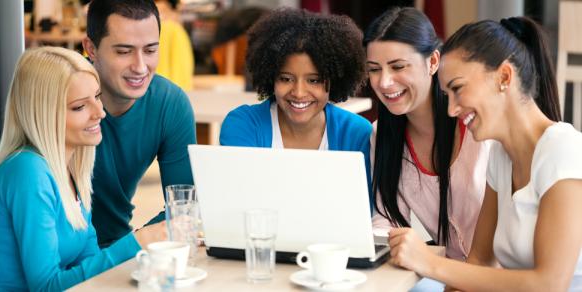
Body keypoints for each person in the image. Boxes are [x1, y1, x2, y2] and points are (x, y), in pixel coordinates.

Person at [388, 16, 582, 291]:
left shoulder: (564, 150)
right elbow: (479, 261)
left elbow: (549, 284)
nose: (451, 110)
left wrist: (430, 263)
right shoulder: (502, 158)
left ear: (504, 77)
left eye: (457, 89)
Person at [0, 47, 156, 290]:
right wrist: (137, 243)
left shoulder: (69, 171)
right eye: (79, 107)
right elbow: (46, 287)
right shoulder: (27, 172)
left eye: (97, 97)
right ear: (44, 114)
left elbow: (89, 264)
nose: (100, 113)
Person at [364, 6, 489, 262]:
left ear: (433, 62)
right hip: (450, 276)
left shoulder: (479, 127)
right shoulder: (382, 134)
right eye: (374, 69)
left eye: (398, 66)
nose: (384, 82)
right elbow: (387, 218)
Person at [82, 0, 196, 247]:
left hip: (116, 248)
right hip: (58, 259)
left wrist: (135, 243)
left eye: (150, 50)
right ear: (91, 49)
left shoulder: (170, 104)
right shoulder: (58, 97)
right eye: (123, 52)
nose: (140, 67)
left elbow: (183, 207)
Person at [219, 8, 372, 185]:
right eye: (286, 78)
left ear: (336, 79)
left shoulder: (356, 133)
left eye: (314, 80)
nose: (299, 93)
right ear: (271, 77)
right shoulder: (244, 125)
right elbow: (236, 196)